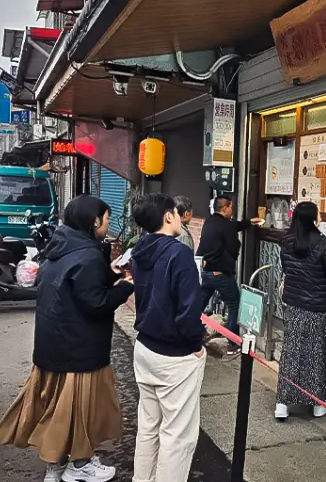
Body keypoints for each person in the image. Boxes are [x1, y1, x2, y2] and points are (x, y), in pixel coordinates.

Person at [0, 195, 134, 482]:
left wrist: (109, 273)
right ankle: (80, 464)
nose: (107, 224)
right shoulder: (89, 254)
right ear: (94, 221)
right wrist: (124, 287)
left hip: (52, 344)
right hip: (79, 349)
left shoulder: (59, 247)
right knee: (79, 410)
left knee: (56, 408)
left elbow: (76, 285)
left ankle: (55, 465)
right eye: (105, 219)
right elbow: (95, 303)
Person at [130, 194, 206, 482]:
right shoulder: (179, 253)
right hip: (174, 355)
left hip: (145, 346)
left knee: (149, 427)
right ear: (168, 217)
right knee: (177, 436)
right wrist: (196, 345)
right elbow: (189, 309)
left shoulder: (140, 249)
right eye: (175, 211)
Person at [274, 201, 326, 421]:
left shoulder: (286, 242)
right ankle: (319, 404)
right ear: (312, 219)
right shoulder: (323, 244)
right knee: (319, 353)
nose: (321, 217)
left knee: (292, 353)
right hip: (319, 307)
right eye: (319, 214)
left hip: (295, 305)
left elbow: (288, 270)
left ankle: (282, 404)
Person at [196, 195, 262, 354]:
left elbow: (232, 226)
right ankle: (232, 342)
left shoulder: (210, 221)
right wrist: (232, 257)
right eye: (231, 207)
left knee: (198, 304)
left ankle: (190, 334)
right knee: (234, 304)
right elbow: (233, 246)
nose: (232, 210)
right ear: (225, 208)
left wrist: (248, 222)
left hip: (206, 273)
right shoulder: (226, 225)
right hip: (221, 274)